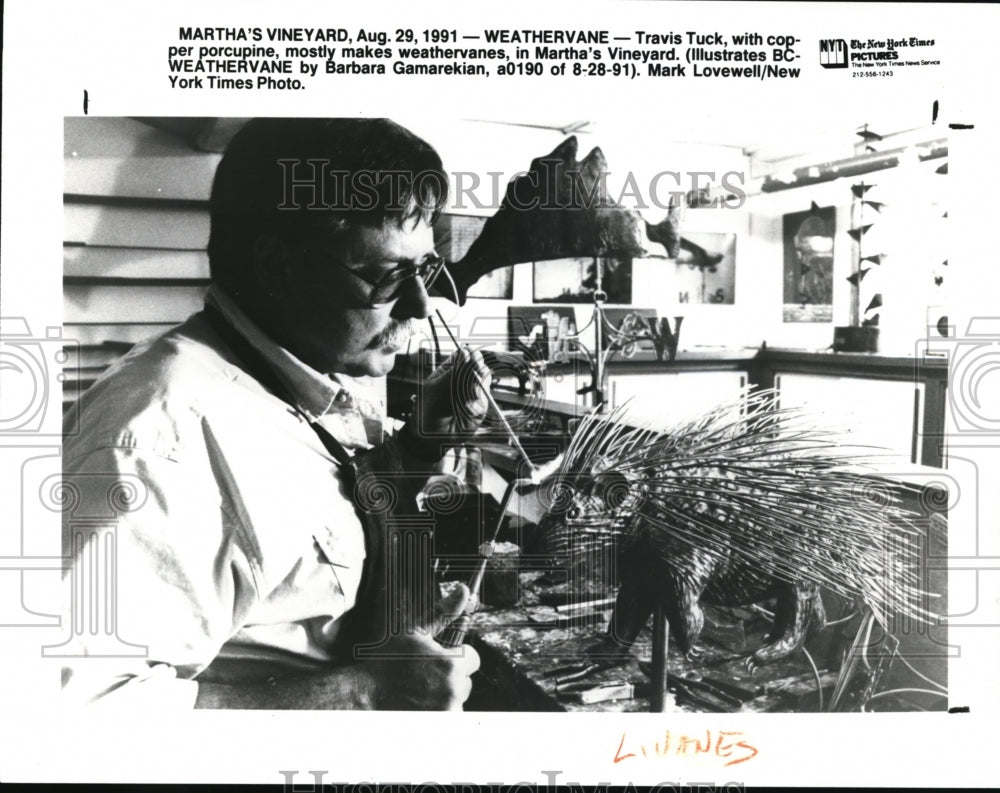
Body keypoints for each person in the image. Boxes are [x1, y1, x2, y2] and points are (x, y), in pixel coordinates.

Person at [60, 118, 489, 710]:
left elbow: (309, 504)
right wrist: (365, 692)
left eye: (426, 270)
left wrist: (418, 445)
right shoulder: (160, 437)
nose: (419, 304)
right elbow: (84, 716)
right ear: (278, 266)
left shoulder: (310, 363)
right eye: (391, 274)